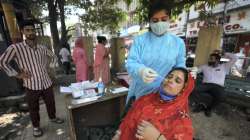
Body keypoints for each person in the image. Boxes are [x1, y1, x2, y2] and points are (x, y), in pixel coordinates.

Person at [0, 20, 63, 137]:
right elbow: (2, 62)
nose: (31, 32)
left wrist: (50, 68)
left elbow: (53, 56)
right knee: (33, 107)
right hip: (31, 84)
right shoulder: (15, 48)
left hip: (46, 82)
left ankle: (53, 117)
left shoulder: (41, 48)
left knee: (51, 102)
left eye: (32, 30)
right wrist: (18, 75)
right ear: (22, 32)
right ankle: (36, 126)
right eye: (27, 30)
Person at [125, 1, 186, 103]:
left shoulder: (178, 43)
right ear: (150, 21)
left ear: (169, 19)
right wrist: (141, 71)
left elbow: (180, 67)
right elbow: (131, 63)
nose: (159, 23)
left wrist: (186, 75)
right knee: (138, 117)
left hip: (165, 93)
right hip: (140, 92)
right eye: (155, 20)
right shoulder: (140, 40)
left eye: (164, 19)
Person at [112, 68, 194, 140]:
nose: (171, 80)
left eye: (177, 81)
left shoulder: (181, 120)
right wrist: (118, 135)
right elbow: (127, 121)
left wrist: (157, 138)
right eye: (169, 76)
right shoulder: (145, 99)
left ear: (183, 90)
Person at [192, 51, 237, 117]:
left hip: (218, 87)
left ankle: (209, 108)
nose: (210, 60)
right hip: (206, 85)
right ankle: (201, 105)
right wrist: (193, 71)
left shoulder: (224, 66)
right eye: (210, 58)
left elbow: (235, 58)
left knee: (221, 96)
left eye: (211, 59)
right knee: (193, 89)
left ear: (217, 60)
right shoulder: (205, 66)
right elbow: (196, 70)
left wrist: (224, 53)